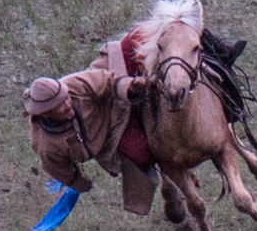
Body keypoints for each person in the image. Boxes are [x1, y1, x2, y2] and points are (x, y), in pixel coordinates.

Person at [23, 69, 157, 213]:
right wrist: (80, 183)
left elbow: (110, 81)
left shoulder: (76, 84)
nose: (68, 104)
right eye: (60, 105)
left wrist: (130, 87)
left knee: (128, 50)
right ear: (46, 114)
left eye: (66, 98)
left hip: (116, 109)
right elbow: (59, 169)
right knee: (140, 153)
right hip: (109, 141)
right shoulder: (46, 145)